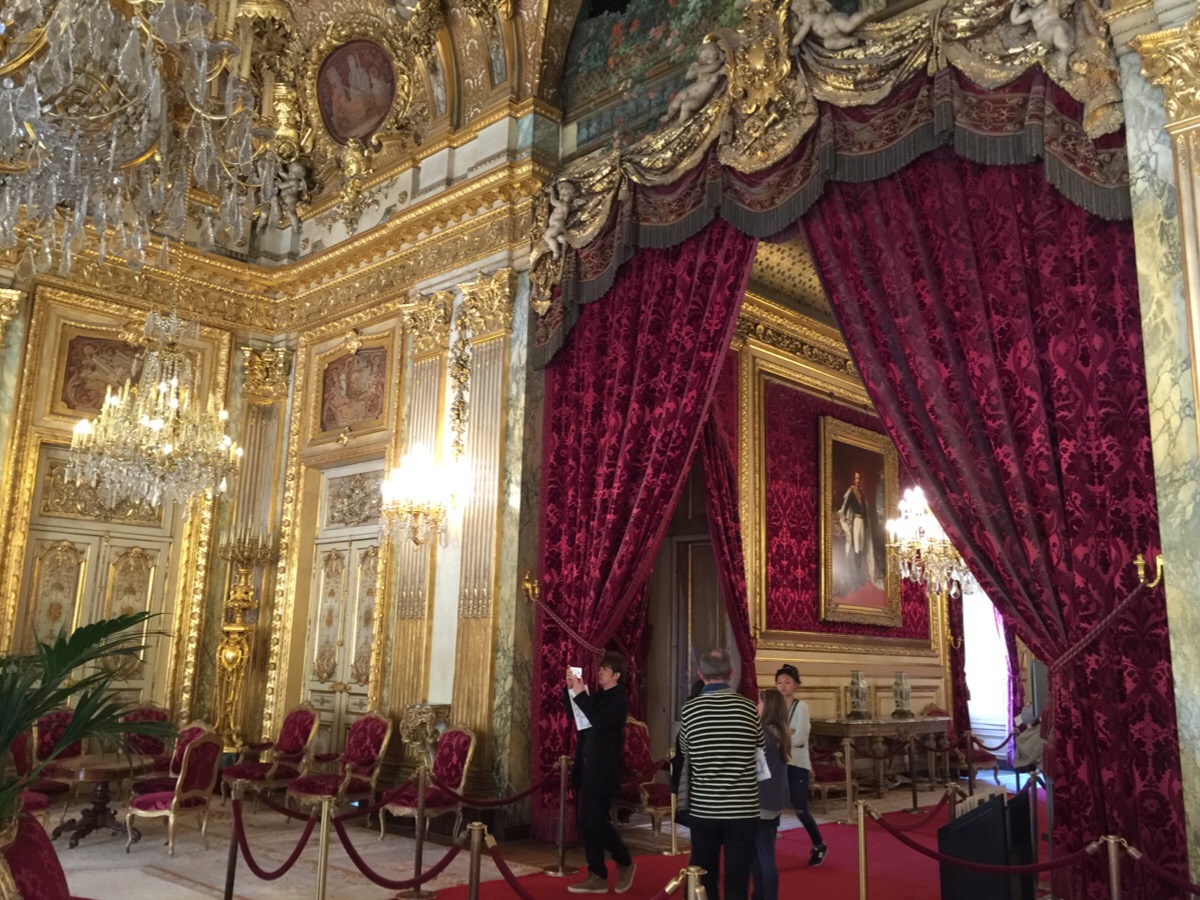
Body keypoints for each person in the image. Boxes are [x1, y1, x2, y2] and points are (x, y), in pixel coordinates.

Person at [679, 647, 764, 900]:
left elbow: (684, 750)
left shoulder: (690, 710)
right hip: (743, 808)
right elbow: (759, 746)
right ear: (731, 673)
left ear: (700, 673)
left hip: (704, 808)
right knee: (738, 878)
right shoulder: (748, 708)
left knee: (704, 877)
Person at [564, 652, 636, 894]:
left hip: (604, 769)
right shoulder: (597, 696)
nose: (600, 672)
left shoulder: (618, 700)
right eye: (600, 668)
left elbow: (600, 720)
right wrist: (570, 689)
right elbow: (575, 714)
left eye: (605, 669)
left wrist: (581, 695)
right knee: (586, 823)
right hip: (587, 765)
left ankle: (624, 860)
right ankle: (597, 875)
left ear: (616, 675)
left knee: (595, 821)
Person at [774, 664, 827, 866]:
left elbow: (800, 738)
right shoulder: (774, 707)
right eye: (779, 682)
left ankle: (819, 844)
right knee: (773, 806)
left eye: (787, 682)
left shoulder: (801, 707)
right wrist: (787, 733)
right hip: (778, 763)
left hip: (797, 763)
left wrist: (781, 736)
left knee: (800, 808)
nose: (783, 686)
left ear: (796, 685)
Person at [750, 689, 790, 900]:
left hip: (760, 801)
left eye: (759, 703)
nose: (756, 706)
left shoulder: (763, 735)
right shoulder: (780, 732)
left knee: (764, 857)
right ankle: (759, 894)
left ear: (768, 708)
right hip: (773, 800)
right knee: (760, 854)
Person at [838, 471, 869, 589]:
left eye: (859, 478)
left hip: (862, 522)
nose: (858, 480)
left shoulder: (862, 493)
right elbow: (846, 507)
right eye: (856, 478)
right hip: (856, 521)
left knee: (861, 547)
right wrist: (844, 517)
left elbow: (865, 509)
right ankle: (856, 578)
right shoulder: (852, 493)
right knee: (856, 548)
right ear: (853, 479)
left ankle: (860, 575)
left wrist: (866, 525)